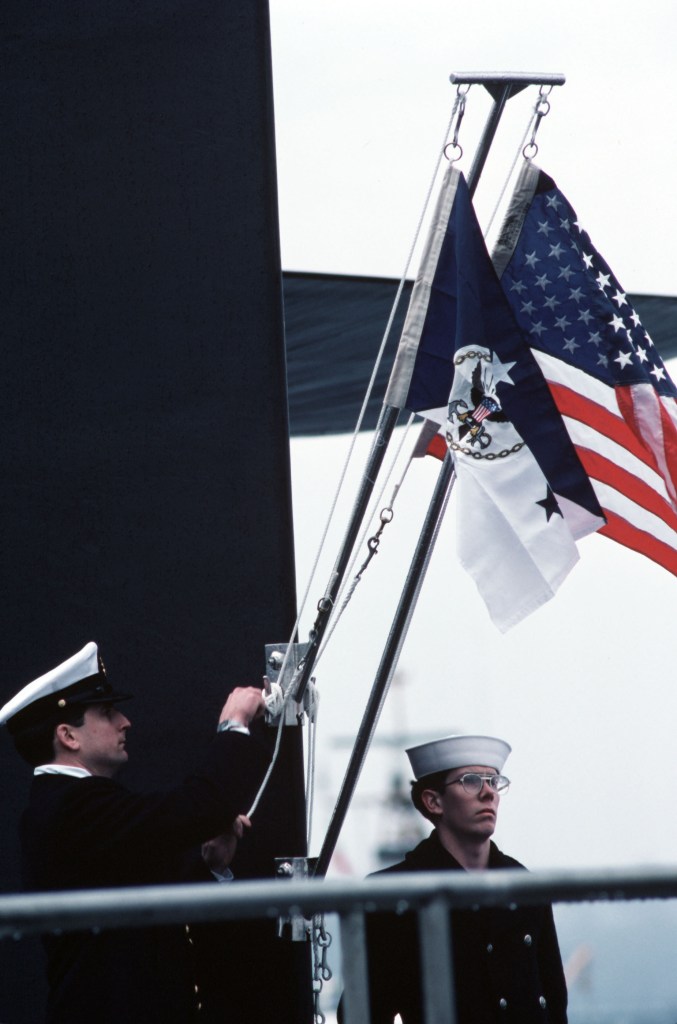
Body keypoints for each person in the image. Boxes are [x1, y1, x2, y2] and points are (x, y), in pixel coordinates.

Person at [0, 641, 269, 1024]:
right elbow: (198, 807)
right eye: (107, 712)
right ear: (68, 736)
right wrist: (234, 726)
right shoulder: (71, 807)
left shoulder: (73, 804)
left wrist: (210, 865)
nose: (124, 721)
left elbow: (145, 899)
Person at [341, 734, 567, 1024]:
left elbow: (555, 1003)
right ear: (433, 801)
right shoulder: (393, 895)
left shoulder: (525, 887)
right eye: (471, 781)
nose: (489, 793)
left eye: (494, 781)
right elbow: (361, 1014)